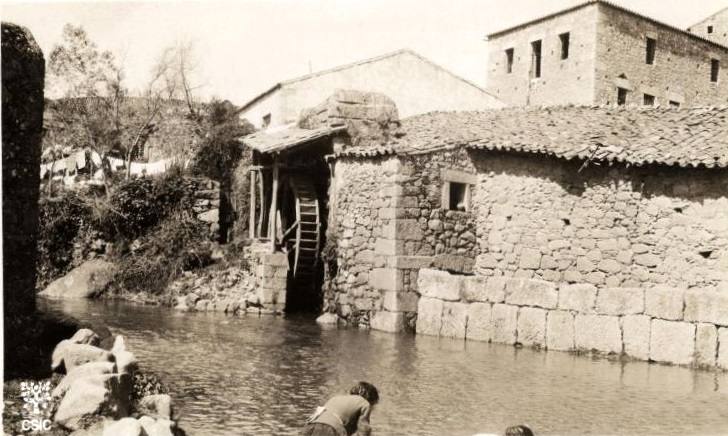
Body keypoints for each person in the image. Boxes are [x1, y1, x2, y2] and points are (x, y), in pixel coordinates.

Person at [302, 382, 379, 436]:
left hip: (309, 428)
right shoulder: (364, 403)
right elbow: (364, 430)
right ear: (371, 399)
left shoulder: (335, 398)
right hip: (330, 429)